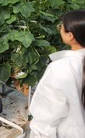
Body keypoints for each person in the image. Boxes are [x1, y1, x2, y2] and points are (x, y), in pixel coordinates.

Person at [29, 10, 85, 138]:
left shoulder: (60, 68)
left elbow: (46, 117)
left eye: (61, 27)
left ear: (70, 35)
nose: (59, 29)